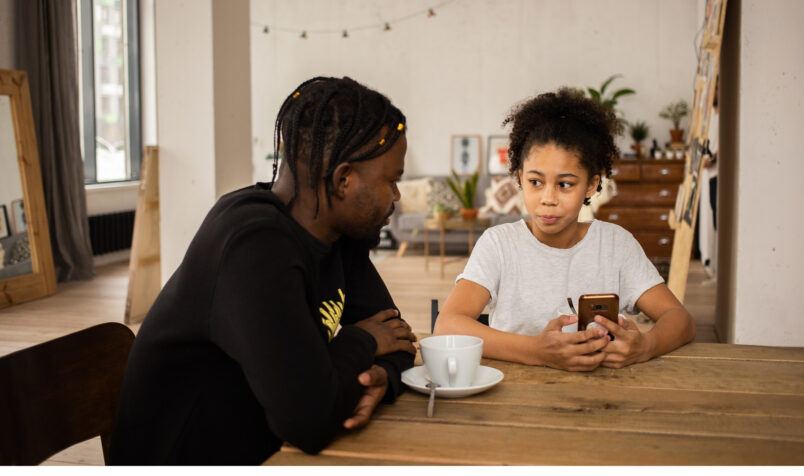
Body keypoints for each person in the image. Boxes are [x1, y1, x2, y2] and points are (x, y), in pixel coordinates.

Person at [110, 77, 417, 464]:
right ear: (343, 180)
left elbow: (398, 337)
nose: (396, 196)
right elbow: (311, 421)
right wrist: (362, 342)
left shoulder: (339, 231)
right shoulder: (253, 243)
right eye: (392, 180)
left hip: (265, 449)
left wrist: (382, 380)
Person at [434, 88, 695, 372]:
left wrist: (646, 346)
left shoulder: (615, 245)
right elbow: (447, 325)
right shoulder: (499, 244)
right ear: (520, 177)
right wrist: (537, 351)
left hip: (598, 402)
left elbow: (679, 319)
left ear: (592, 185)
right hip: (513, 402)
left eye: (565, 184)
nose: (548, 198)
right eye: (535, 182)